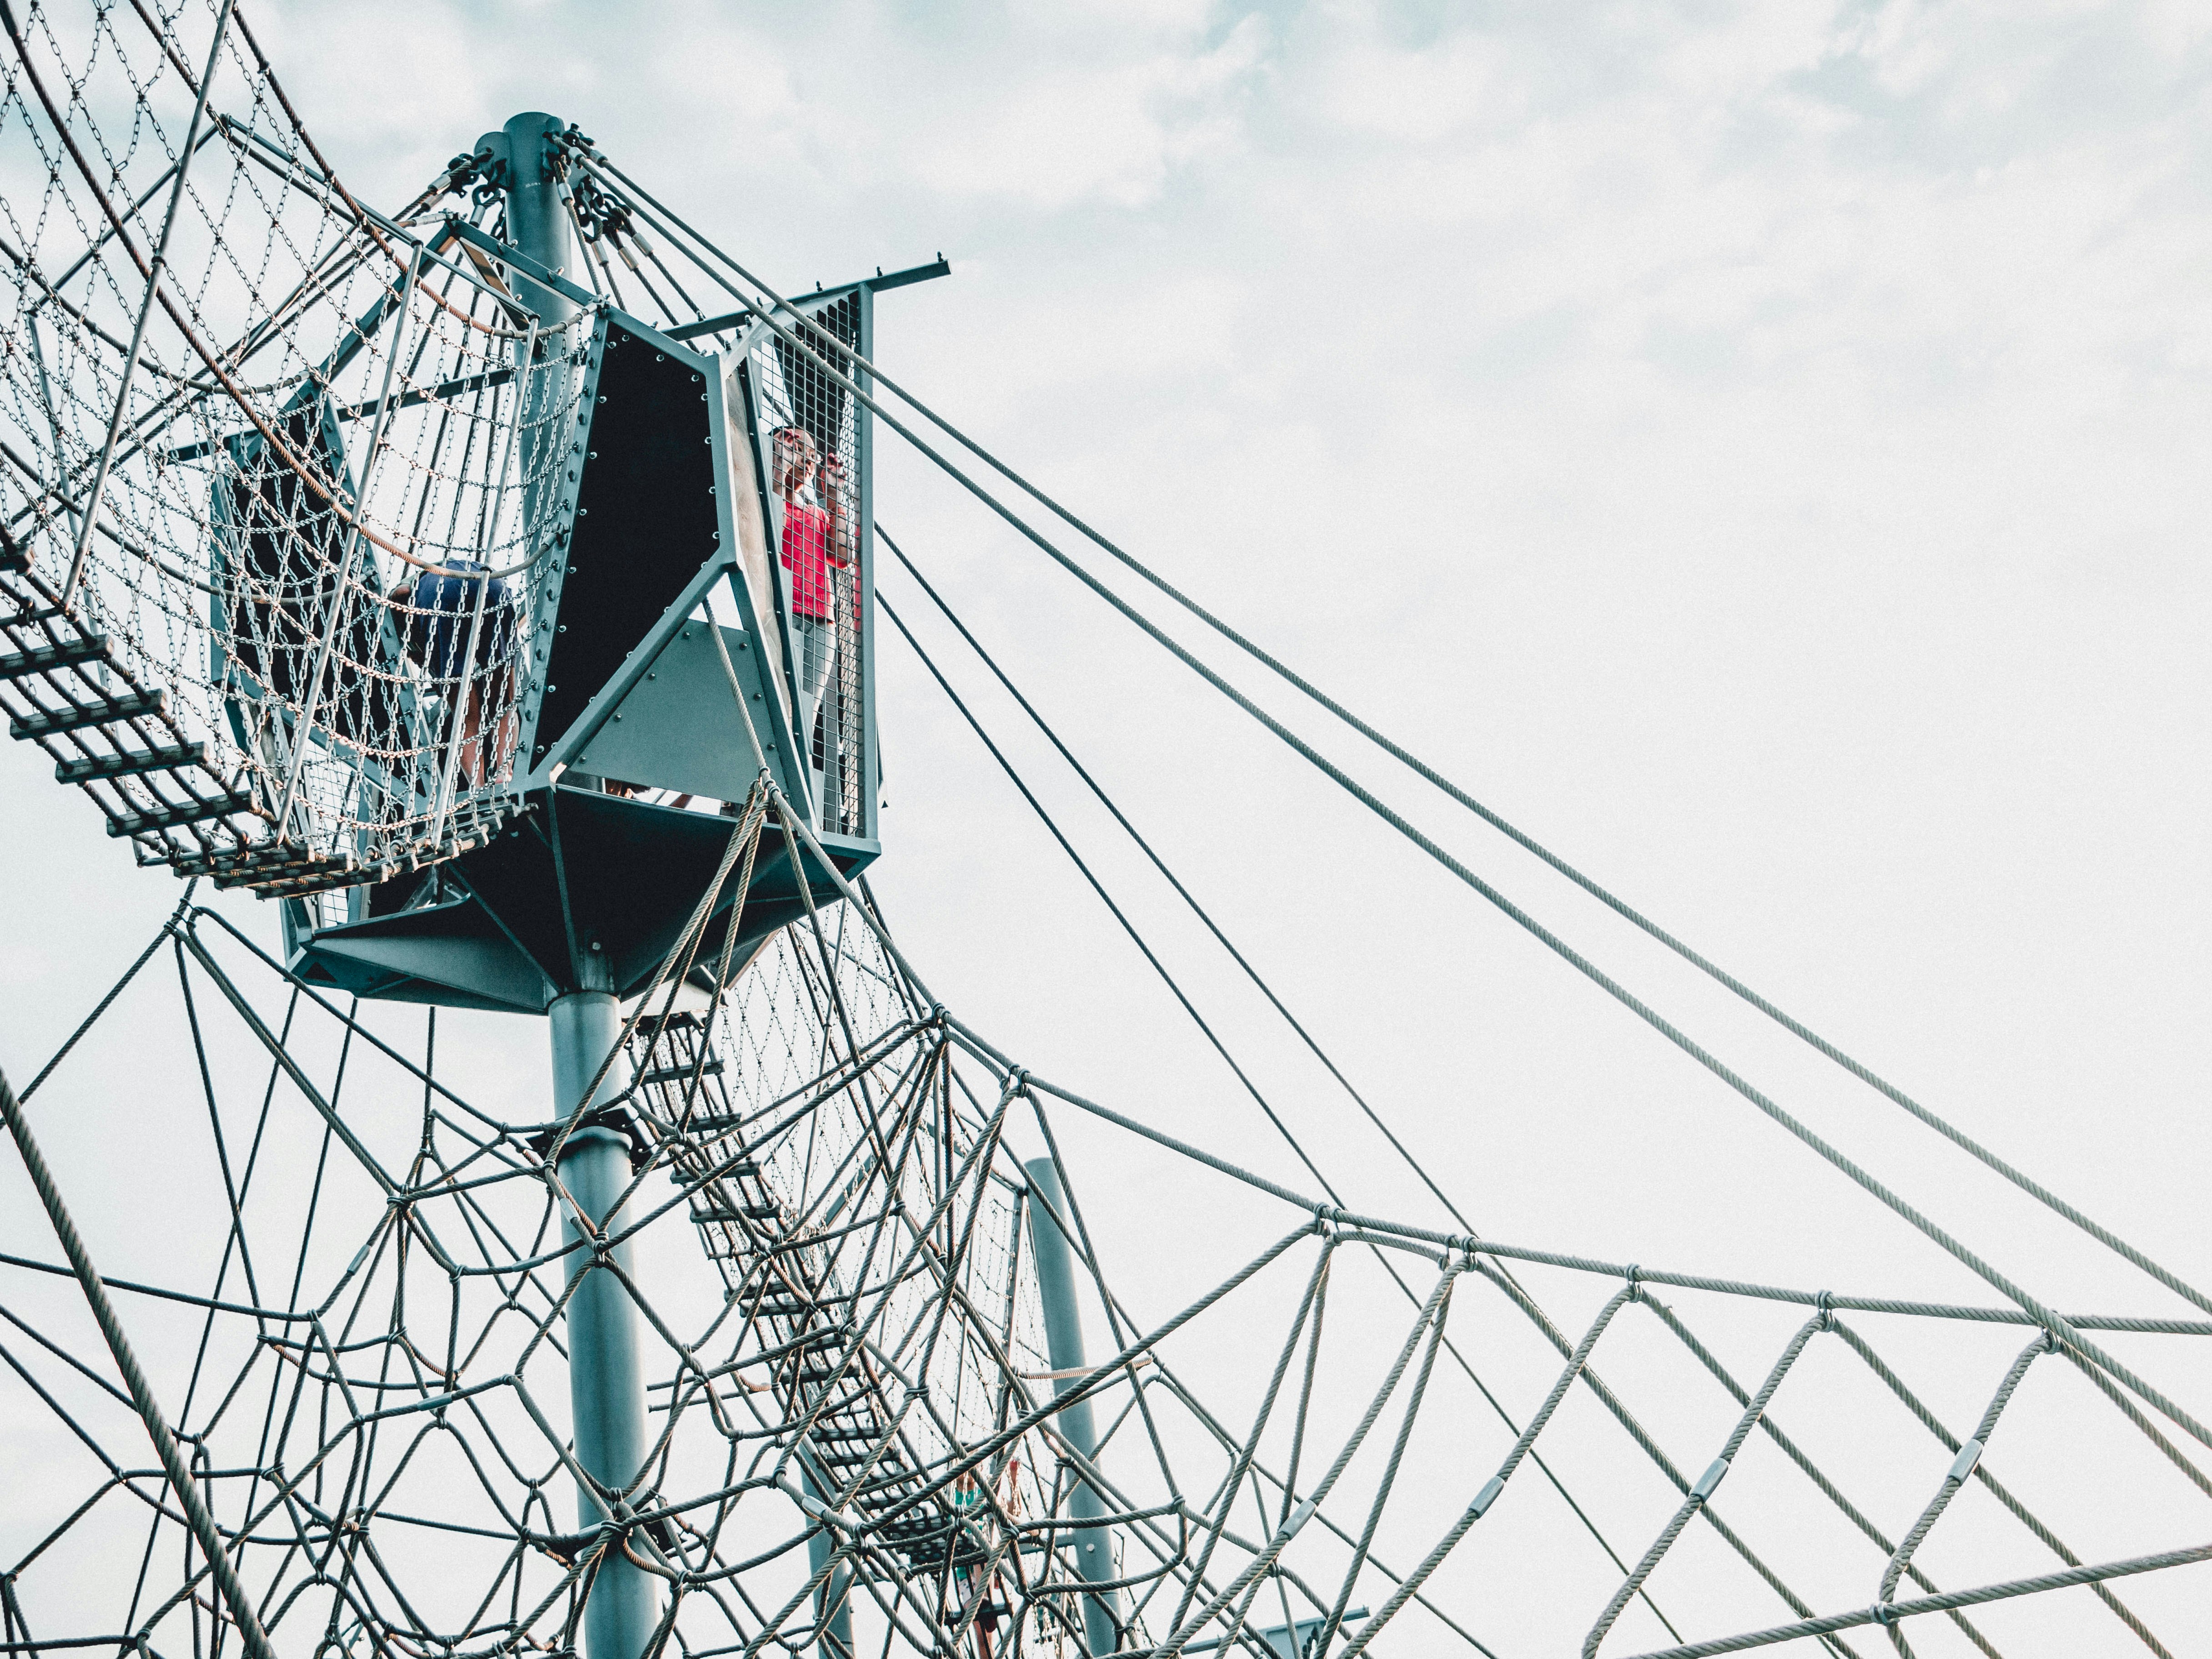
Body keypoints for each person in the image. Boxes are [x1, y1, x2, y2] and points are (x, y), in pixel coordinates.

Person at [392, 558, 519, 790]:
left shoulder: (416, 587)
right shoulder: (458, 566)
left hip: (440, 599)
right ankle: (504, 773)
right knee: (505, 702)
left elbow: (400, 594)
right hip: (493, 587)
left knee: (466, 714)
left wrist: (417, 646)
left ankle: (478, 784)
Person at [770, 424, 852, 776]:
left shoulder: (818, 513)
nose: (808, 457)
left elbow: (844, 554)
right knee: (776, 700)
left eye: (812, 453)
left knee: (807, 709)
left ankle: (792, 779)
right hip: (780, 612)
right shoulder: (769, 497)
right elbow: (770, 514)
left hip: (821, 619)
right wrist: (779, 459)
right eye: (797, 447)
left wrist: (834, 494)